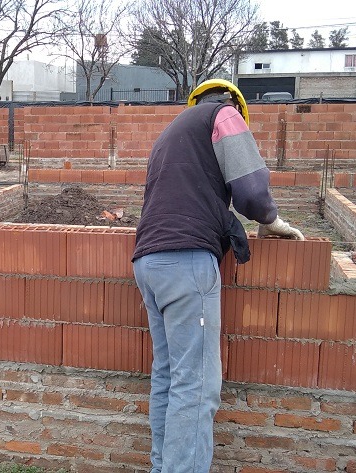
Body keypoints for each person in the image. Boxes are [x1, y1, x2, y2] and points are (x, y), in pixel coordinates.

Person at [131, 79, 304, 473]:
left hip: (148, 262)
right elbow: (251, 191)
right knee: (196, 386)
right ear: (235, 105)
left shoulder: (171, 133)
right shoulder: (224, 115)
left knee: (169, 377)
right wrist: (271, 220)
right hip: (186, 261)